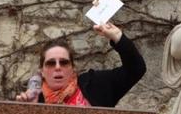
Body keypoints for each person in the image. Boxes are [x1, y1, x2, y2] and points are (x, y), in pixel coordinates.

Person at [16, 22, 146, 107]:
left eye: (64, 62)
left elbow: (136, 69)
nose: (57, 67)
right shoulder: (33, 99)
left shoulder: (96, 85)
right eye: (50, 63)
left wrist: (117, 36)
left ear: (73, 68)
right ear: (42, 71)